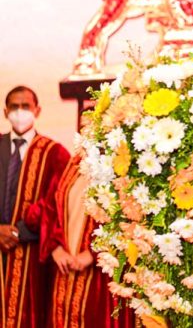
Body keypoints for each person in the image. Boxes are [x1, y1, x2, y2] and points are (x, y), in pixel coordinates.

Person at [37, 149, 135, 327]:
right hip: (65, 268)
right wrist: (55, 248)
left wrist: (92, 253)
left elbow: (129, 218)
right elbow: (51, 207)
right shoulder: (74, 164)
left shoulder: (120, 162)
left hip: (102, 275)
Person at [0, 85, 70, 327]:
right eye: (14, 107)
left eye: (26, 106)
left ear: (37, 110)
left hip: (32, 255)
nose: (20, 112)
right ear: (5, 111)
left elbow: (58, 203)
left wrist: (18, 232)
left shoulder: (55, 153)